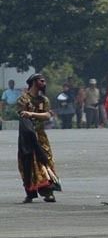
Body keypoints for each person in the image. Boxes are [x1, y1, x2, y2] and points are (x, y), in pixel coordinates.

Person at [17, 73, 61, 203]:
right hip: (27, 136)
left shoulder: (44, 100)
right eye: (41, 81)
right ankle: (30, 192)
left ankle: (48, 192)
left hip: (41, 136)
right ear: (34, 82)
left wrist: (31, 114)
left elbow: (47, 116)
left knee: (45, 160)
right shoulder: (23, 99)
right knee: (27, 163)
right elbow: (22, 115)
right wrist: (37, 115)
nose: (44, 83)